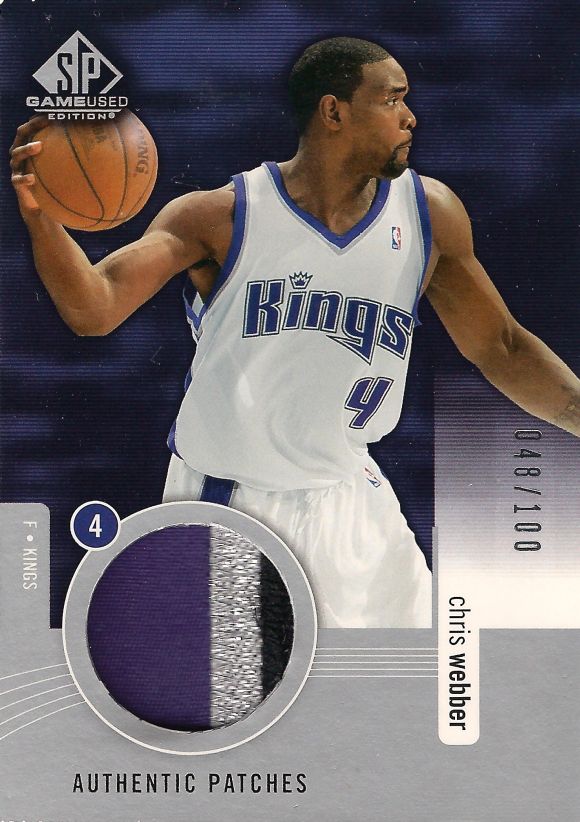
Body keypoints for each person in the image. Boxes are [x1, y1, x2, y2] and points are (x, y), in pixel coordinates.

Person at [10, 38, 579, 629]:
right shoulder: (221, 216)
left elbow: (502, 347)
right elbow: (96, 307)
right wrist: (43, 218)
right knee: (255, 689)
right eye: (391, 100)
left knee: (425, 680)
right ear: (334, 111)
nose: (410, 117)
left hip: (353, 498)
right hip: (232, 509)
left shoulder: (428, 214)